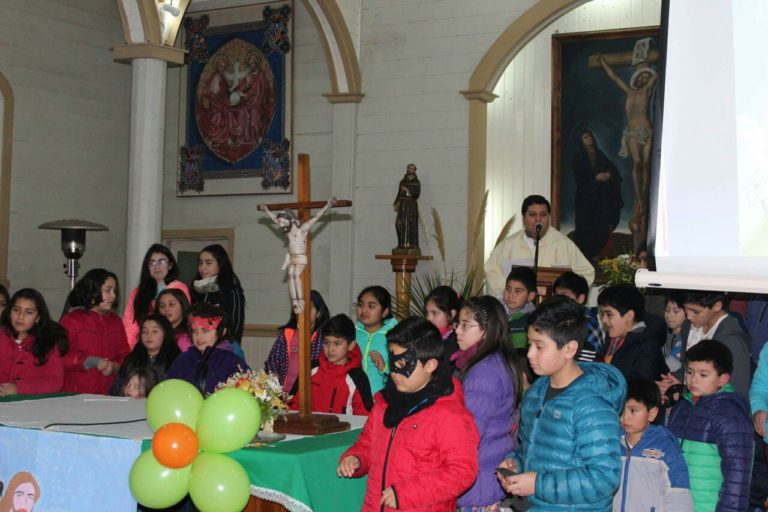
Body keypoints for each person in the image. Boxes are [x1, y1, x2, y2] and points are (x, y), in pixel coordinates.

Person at [337, 317, 479, 511]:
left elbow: (462, 471)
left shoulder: (449, 415)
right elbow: (369, 442)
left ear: (430, 365)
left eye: (402, 363)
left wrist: (407, 493)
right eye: (392, 359)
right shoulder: (384, 403)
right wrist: (357, 458)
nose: (394, 372)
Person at [498, 296, 626, 511]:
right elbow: (533, 450)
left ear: (569, 349)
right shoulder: (536, 392)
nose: (529, 354)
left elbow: (604, 478)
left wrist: (537, 484)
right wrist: (515, 463)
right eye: (530, 344)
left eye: (539, 347)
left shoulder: (592, 404)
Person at [667, 340, 753, 511]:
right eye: (690, 372)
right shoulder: (680, 409)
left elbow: (737, 479)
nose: (693, 380)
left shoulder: (731, 417)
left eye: (703, 375)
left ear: (723, 379)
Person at [453, 296, 519, 510]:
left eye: (465, 325)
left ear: (486, 330)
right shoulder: (488, 362)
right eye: (457, 324)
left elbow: (470, 432)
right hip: (487, 470)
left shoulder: (484, 372)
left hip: (479, 480)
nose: (457, 331)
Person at [484, 195, 595, 297]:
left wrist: (564, 292)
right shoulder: (508, 245)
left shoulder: (564, 244)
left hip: (554, 309)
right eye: (532, 215)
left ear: (549, 217)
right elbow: (492, 273)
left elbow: (587, 273)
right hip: (517, 311)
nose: (538, 219)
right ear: (523, 218)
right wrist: (516, 291)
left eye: (543, 215)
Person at [613, 378, 693, 511]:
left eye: (633, 410)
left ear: (652, 414)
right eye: (622, 410)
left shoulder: (665, 448)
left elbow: (678, 495)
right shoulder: (612, 444)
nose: (625, 417)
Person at [599, 55, 657, 224]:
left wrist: (647, 63)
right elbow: (614, 77)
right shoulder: (629, 90)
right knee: (637, 163)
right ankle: (639, 198)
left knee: (646, 164)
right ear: (636, 78)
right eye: (641, 76)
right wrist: (604, 62)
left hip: (647, 130)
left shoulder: (648, 90)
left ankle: (644, 199)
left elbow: (656, 76)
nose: (643, 78)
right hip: (632, 133)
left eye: (646, 77)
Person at [258, 197, 335, 314]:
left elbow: (316, 217)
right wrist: (266, 210)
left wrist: (328, 206)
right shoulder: (288, 231)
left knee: (294, 276)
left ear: (292, 220)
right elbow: (274, 219)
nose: (282, 225)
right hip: (292, 258)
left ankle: (301, 301)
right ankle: (295, 301)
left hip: (300, 258)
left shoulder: (302, 229)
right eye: (281, 223)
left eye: (284, 222)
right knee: (290, 277)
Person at [61, 269, 130, 395]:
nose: (113, 296)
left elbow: (126, 358)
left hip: (108, 394)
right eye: (108, 290)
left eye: (114, 291)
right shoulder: (71, 321)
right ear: (93, 291)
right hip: (76, 395)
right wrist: (86, 362)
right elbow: (59, 357)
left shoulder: (116, 322)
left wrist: (114, 366)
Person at [290, 314, 373, 415]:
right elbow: (293, 404)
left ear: (351, 345)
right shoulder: (310, 368)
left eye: (337, 343)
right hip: (308, 428)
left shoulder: (358, 377)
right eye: (326, 343)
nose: (330, 349)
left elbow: (364, 417)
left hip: (344, 430)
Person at [167, 303, 249, 395]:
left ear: (222, 332)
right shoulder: (182, 361)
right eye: (195, 331)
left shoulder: (232, 362)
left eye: (205, 331)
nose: (199, 336)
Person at [0, 289, 68, 396]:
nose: (20, 317)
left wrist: (19, 388)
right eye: (16, 310)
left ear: (38, 318)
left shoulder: (48, 343)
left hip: (33, 405)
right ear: (9, 312)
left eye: (29, 312)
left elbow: (55, 381)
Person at [123, 244, 191, 348]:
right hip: (143, 345)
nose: (156, 266)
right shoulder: (137, 292)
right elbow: (130, 325)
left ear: (170, 265)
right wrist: (128, 350)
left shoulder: (179, 288)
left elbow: (184, 319)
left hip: (173, 343)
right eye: (152, 263)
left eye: (161, 262)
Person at [571, 129, 623, 261]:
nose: (589, 140)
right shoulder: (578, 159)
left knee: (603, 223)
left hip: (599, 200)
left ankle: (599, 253)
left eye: (590, 136)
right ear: (581, 142)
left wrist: (609, 175)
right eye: (585, 137)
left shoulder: (599, 154)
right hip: (585, 201)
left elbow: (613, 171)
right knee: (587, 230)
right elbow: (582, 181)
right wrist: (596, 179)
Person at [598, 284, 666, 381]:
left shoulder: (648, 345)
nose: (604, 319)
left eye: (609, 314)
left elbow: (639, 387)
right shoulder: (613, 338)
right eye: (602, 314)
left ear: (629, 316)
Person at [265, 289, 329, 392]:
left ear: (318, 313)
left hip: (310, 395)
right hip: (284, 395)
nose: (303, 311)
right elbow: (272, 362)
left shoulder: (324, 338)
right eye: (299, 307)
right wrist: (274, 386)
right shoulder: (286, 335)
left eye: (309, 307)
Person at [190, 244, 245, 356]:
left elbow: (235, 324)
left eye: (208, 263)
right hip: (198, 345)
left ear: (220, 265)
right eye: (200, 263)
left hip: (225, 347)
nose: (203, 267)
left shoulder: (231, 290)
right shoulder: (195, 289)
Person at [110, 314, 180, 395]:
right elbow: (116, 389)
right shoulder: (132, 359)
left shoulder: (176, 361)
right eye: (144, 331)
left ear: (166, 333)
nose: (149, 336)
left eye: (155, 331)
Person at [355, 285, 398, 395]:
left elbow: (403, 369)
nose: (364, 310)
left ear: (384, 312)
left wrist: (384, 368)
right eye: (360, 305)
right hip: (355, 398)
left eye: (371, 306)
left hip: (383, 397)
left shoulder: (394, 335)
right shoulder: (351, 333)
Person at [552, 270, 603, 361]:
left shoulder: (587, 323)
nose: (559, 300)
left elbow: (593, 361)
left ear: (580, 298)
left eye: (564, 296)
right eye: (556, 296)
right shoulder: (556, 317)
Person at [502, 266, 537, 350]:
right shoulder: (497, 313)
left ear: (530, 296)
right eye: (508, 289)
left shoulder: (532, 321)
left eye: (518, 291)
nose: (510, 295)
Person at [423, 285, 461, 362]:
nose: (428, 318)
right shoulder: (427, 335)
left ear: (452, 314)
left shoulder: (454, 342)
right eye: (427, 313)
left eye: (434, 313)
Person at [393, 163, 420, 251]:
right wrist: (396, 202)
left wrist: (408, 191)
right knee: (399, 223)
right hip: (402, 205)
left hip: (411, 205)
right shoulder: (402, 181)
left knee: (409, 224)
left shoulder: (416, 182)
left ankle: (411, 245)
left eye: (411, 169)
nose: (409, 170)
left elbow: (417, 195)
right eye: (408, 168)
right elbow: (399, 193)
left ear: (414, 170)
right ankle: (401, 244)